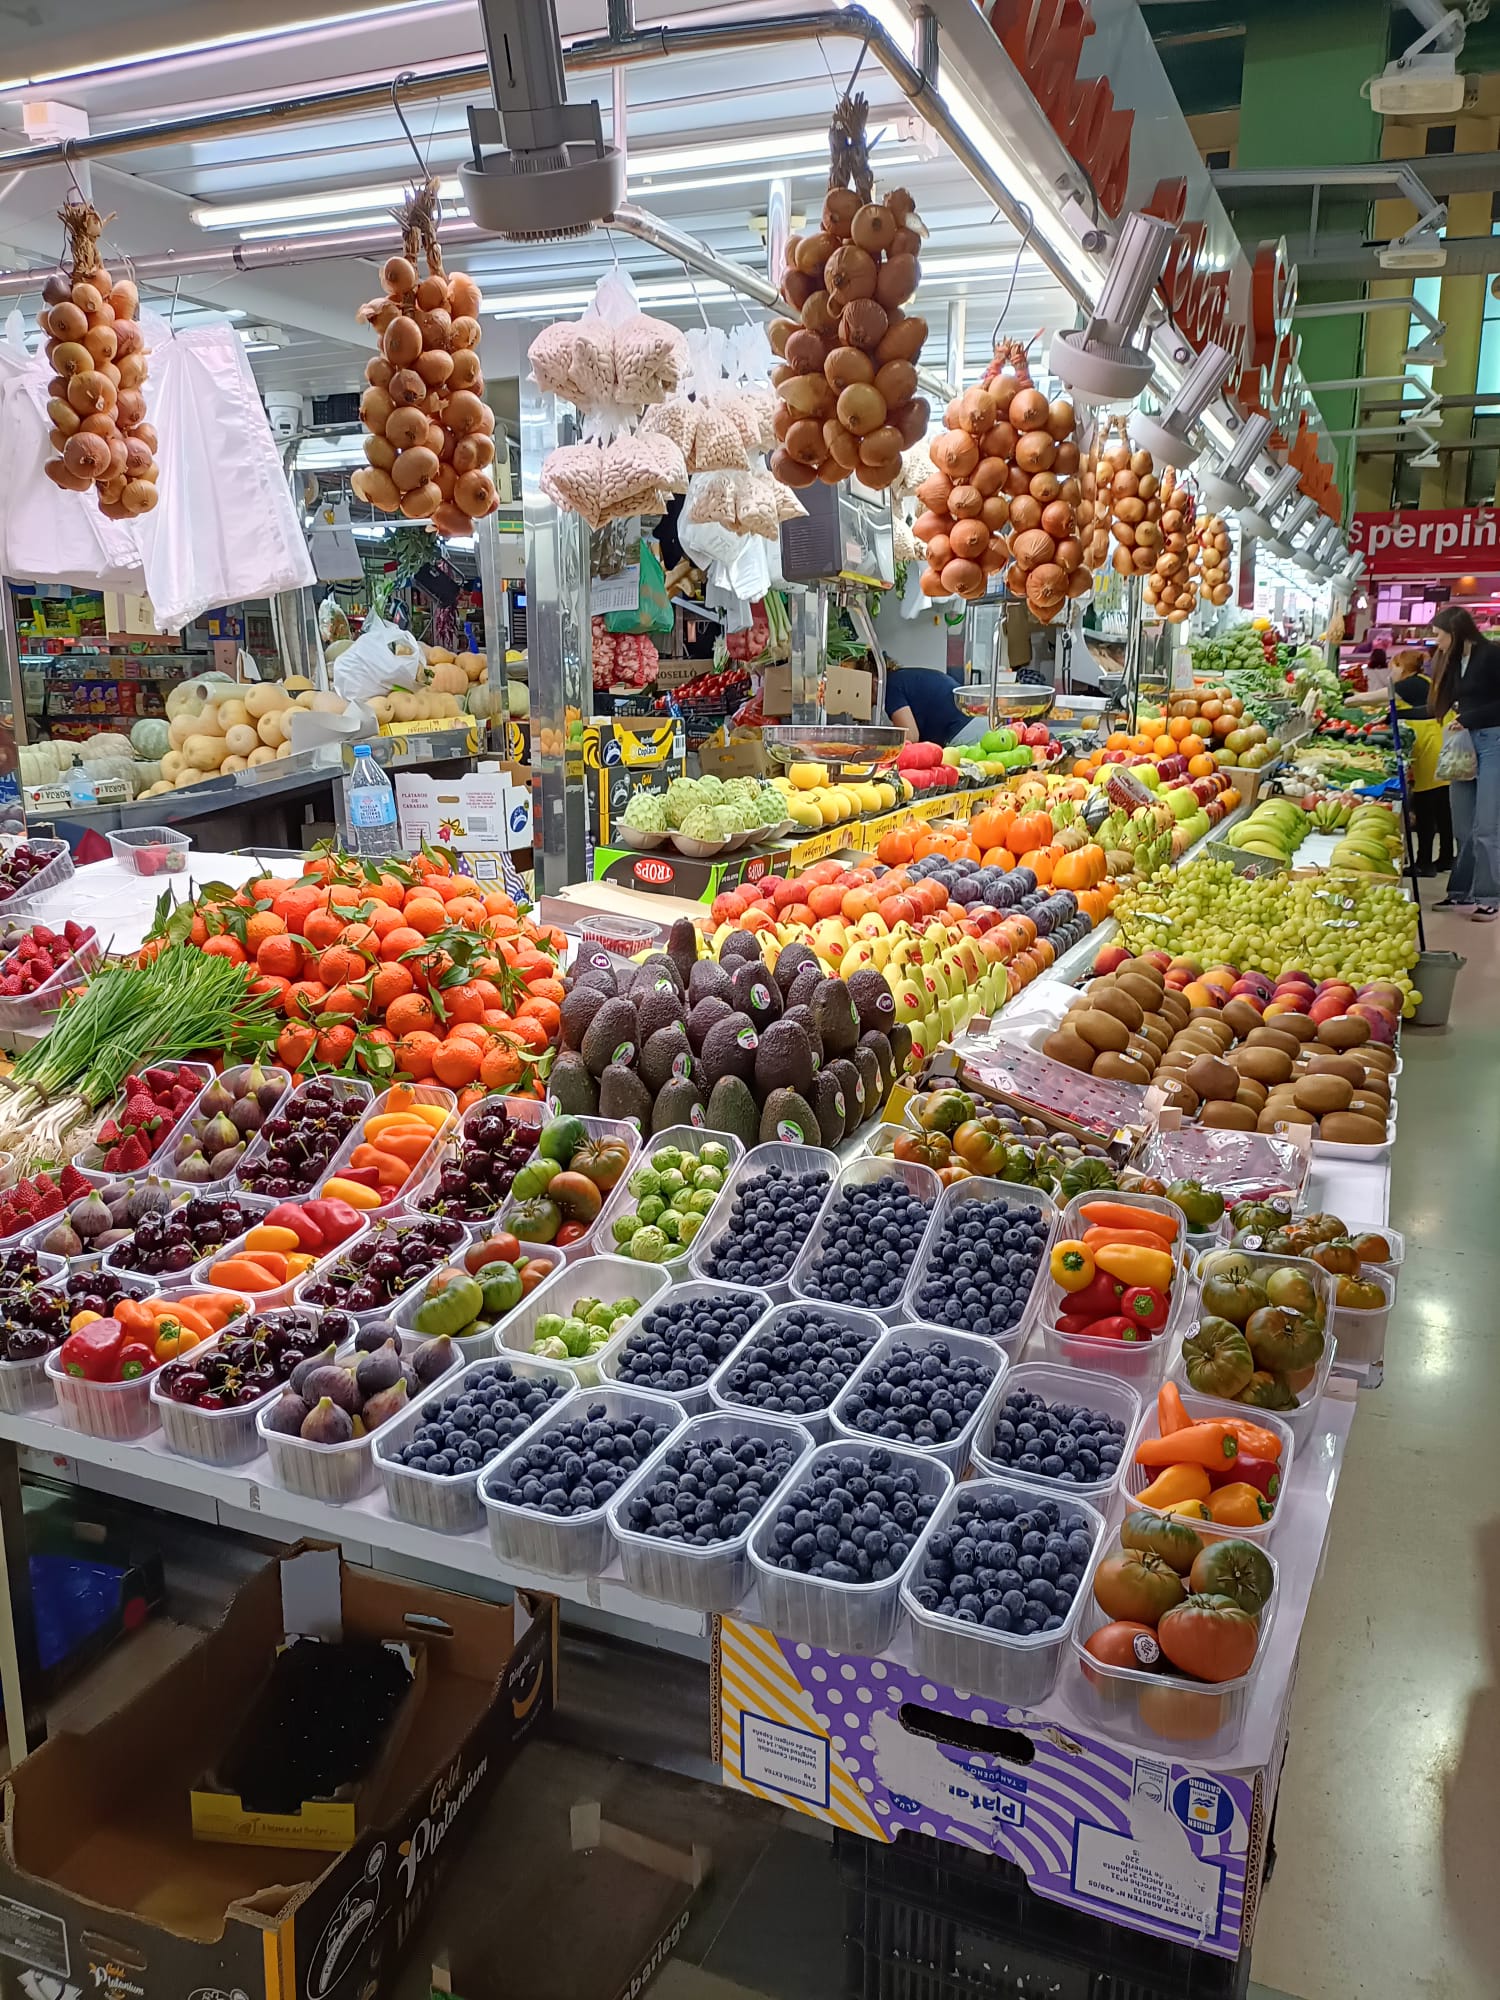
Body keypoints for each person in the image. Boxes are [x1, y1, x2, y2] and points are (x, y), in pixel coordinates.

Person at [1429, 604, 1500, 919]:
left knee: (1487, 826)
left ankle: (1490, 896)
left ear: (1455, 632)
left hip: (1493, 742)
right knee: (1463, 826)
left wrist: (1469, 718)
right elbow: (1439, 705)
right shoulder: (1454, 660)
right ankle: (1460, 892)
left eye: (1439, 635)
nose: (1437, 642)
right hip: (1464, 745)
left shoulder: (1492, 654)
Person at [1392, 649, 1452, 876]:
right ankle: (1446, 858)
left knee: (1426, 808)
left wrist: (1350, 700)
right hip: (1442, 744)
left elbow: (1379, 695)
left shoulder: (1409, 684)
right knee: (1443, 810)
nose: (1391, 671)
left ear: (1403, 667)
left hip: (1430, 750)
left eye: (1394, 666)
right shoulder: (1424, 681)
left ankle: (1424, 863)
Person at [884, 662, 964, 747]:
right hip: (968, 719)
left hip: (959, 730)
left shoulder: (890, 686)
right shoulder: (904, 677)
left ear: (875, 682)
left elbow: (910, 738)